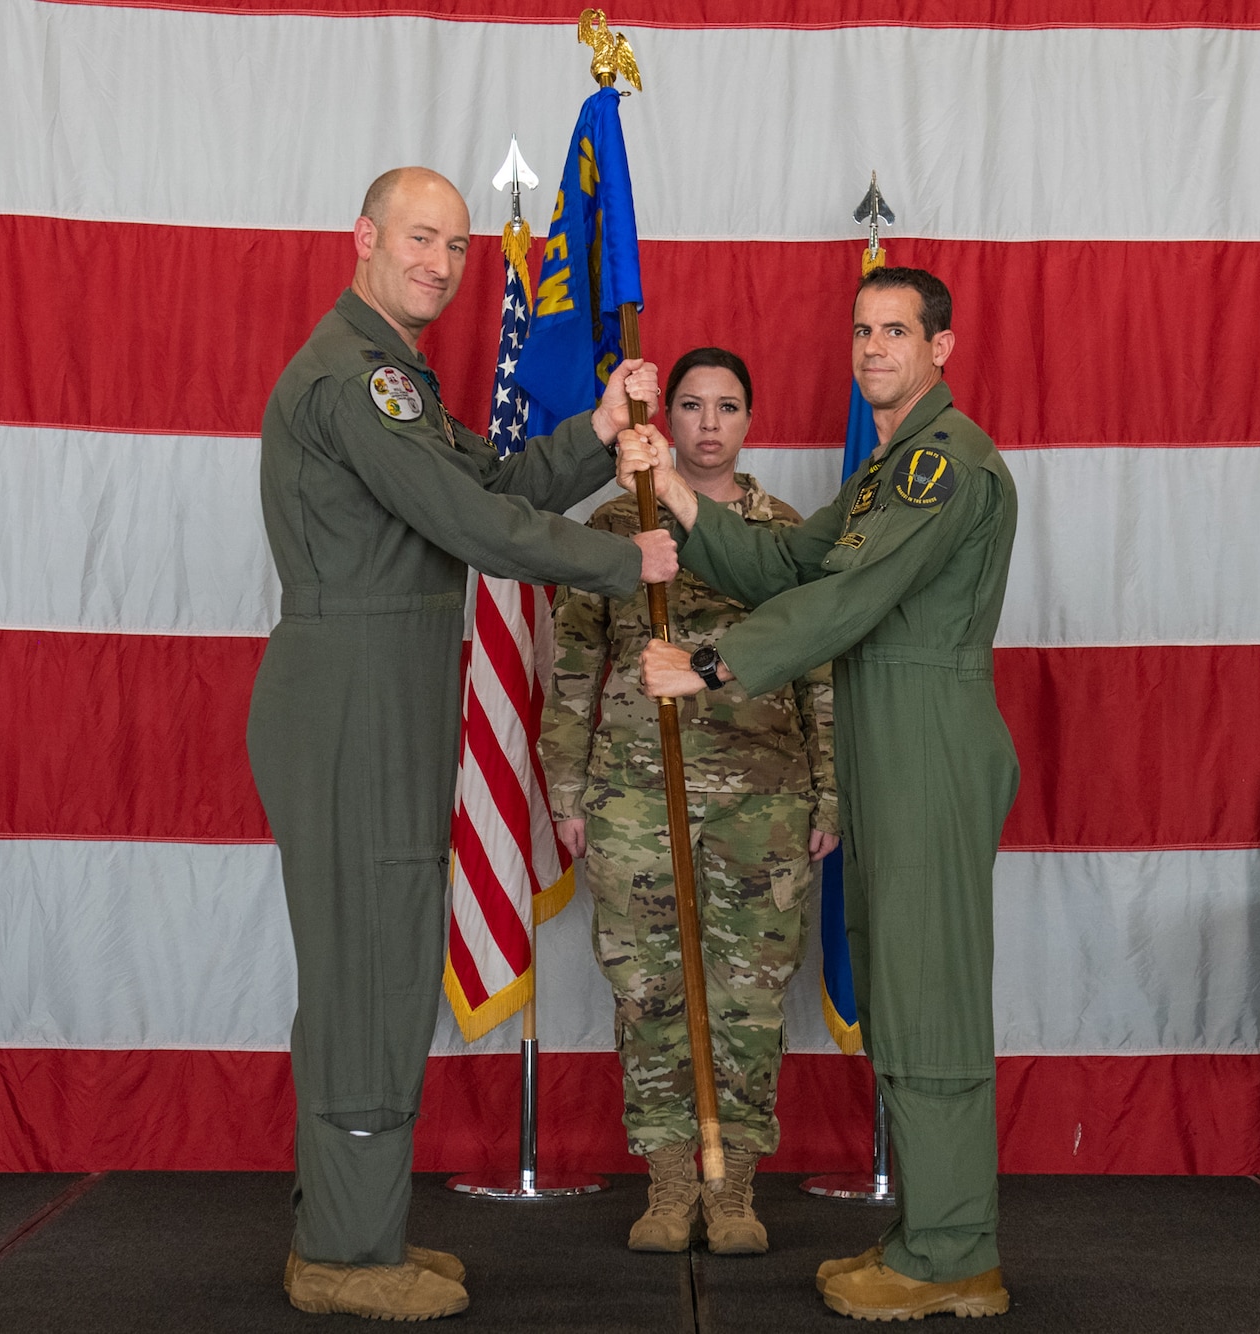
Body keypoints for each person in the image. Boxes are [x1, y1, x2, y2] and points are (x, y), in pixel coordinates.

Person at [246, 165, 677, 1322]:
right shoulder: (354, 378)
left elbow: (480, 477)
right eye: (419, 238)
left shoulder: (392, 374)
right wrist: (616, 558)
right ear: (363, 238)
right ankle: (342, 1247)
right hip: (351, 698)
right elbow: (469, 522)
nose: (438, 261)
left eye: (453, 244)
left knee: (374, 960)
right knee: (369, 971)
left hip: (378, 690)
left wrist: (591, 435)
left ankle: (352, 1223)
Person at [621, 268, 1018, 1321]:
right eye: (861, 328)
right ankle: (928, 1234)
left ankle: (952, 1255)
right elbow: (793, 556)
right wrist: (674, 489)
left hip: (927, 732)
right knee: (900, 988)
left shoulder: (943, 462)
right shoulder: (887, 469)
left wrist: (706, 664)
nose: (873, 346)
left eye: (896, 329)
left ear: (941, 344)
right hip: (887, 731)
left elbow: (845, 596)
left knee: (928, 996)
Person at [542, 347, 839, 1257]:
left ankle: (734, 1188)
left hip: (763, 801)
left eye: (729, 407)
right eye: (692, 406)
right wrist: (567, 785)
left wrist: (830, 790)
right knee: (649, 991)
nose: (709, 424)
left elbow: (819, 669)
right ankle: (669, 1185)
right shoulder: (609, 523)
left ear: (751, 422)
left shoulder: (783, 532)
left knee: (748, 995)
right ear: (663, 418)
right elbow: (571, 669)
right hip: (636, 792)